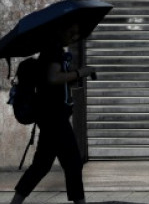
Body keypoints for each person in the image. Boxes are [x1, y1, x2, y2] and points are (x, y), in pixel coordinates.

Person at [11, 24, 95, 204]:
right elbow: (52, 78)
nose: (74, 36)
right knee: (72, 162)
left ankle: (16, 201)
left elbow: (54, 83)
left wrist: (71, 77)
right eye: (71, 31)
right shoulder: (53, 50)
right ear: (59, 30)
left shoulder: (52, 51)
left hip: (50, 115)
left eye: (77, 33)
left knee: (41, 165)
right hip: (54, 116)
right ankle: (80, 203)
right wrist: (81, 72)